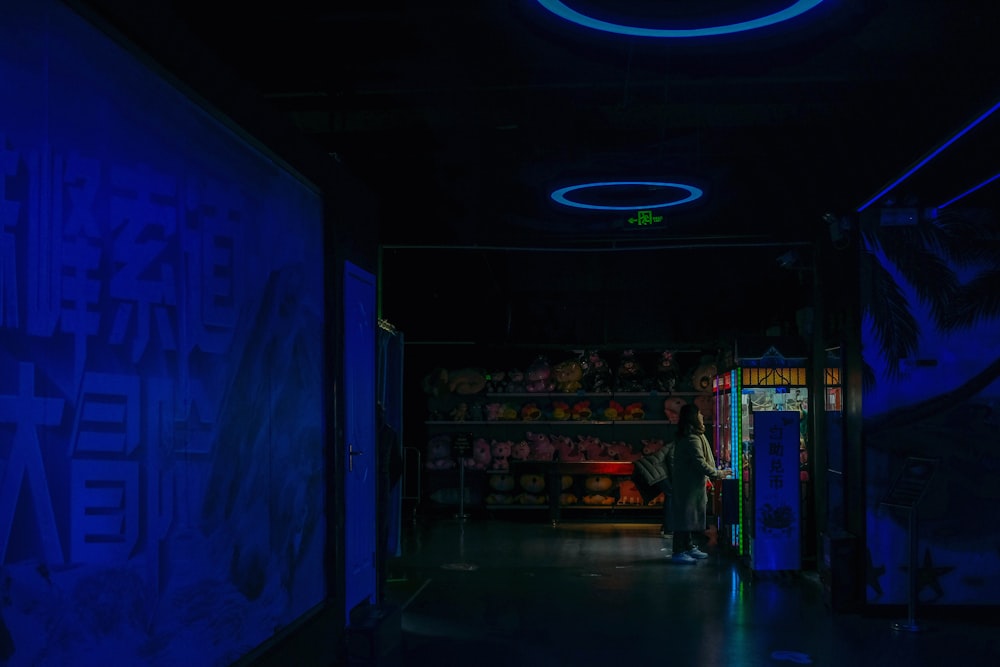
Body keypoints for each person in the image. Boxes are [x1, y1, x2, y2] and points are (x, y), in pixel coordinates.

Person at [669, 403, 731, 563]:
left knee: (687, 517)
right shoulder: (692, 438)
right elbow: (700, 463)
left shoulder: (690, 436)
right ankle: (679, 551)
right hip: (688, 486)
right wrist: (718, 474)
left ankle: (688, 547)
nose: (702, 416)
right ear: (694, 418)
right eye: (699, 414)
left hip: (690, 485)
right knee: (684, 518)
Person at [376, 402, 403, 600]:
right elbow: (397, 466)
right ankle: (380, 580)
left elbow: (397, 465)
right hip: (382, 485)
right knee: (380, 533)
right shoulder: (389, 432)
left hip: (380, 485)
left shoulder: (361, 430)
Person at [633, 441, 675, 537]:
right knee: (671, 495)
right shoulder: (679, 444)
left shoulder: (674, 443)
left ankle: (667, 528)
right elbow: (672, 461)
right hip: (655, 469)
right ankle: (669, 529)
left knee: (670, 495)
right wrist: (674, 479)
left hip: (654, 467)